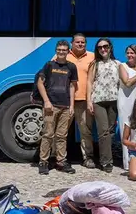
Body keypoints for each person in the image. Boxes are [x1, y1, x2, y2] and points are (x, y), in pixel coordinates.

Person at [36, 40, 78, 175]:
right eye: (59, 49)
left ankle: (61, 161)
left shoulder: (71, 67)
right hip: (51, 106)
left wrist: (72, 105)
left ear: (68, 52)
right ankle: (43, 162)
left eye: (64, 50)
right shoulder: (49, 65)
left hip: (65, 106)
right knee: (48, 134)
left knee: (62, 136)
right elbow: (40, 83)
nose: (61, 52)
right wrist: (46, 101)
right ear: (56, 51)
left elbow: (72, 86)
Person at [59, 33, 96, 168]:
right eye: (77, 42)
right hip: (65, 101)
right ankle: (58, 158)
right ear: (72, 43)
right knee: (61, 131)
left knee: (85, 131)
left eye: (83, 43)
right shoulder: (63, 55)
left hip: (84, 100)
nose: (80, 44)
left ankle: (88, 158)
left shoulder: (92, 56)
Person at [86, 38, 121, 172]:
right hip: (99, 100)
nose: (103, 49)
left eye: (105, 46)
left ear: (110, 47)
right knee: (103, 131)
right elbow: (89, 82)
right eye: (100, 47)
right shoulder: (94, 64)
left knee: (111, 131)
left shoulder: (117, 64)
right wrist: (89, 101)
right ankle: (106, 161)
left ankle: (108, 155)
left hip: (114, 100)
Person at [118, 45, 136, 170]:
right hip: (125, 101)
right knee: (126, 131)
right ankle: (128, 162)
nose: (129, 55)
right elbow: (128, 82)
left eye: (132, 53)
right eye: (128, 53)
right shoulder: (122, 66)